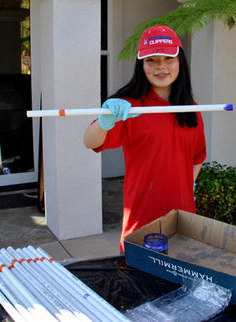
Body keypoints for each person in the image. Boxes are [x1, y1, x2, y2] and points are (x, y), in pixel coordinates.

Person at [83, 25, 206, 252]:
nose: (161, 66)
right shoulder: (128, 106)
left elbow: (197, 156)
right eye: (151, 60)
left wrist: (186, 188)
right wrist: (105, 120)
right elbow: (90, 141)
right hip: (141, 220)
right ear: (142, 66)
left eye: (168, 58)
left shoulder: (192, 109)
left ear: (180, 61)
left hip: (183, 220)